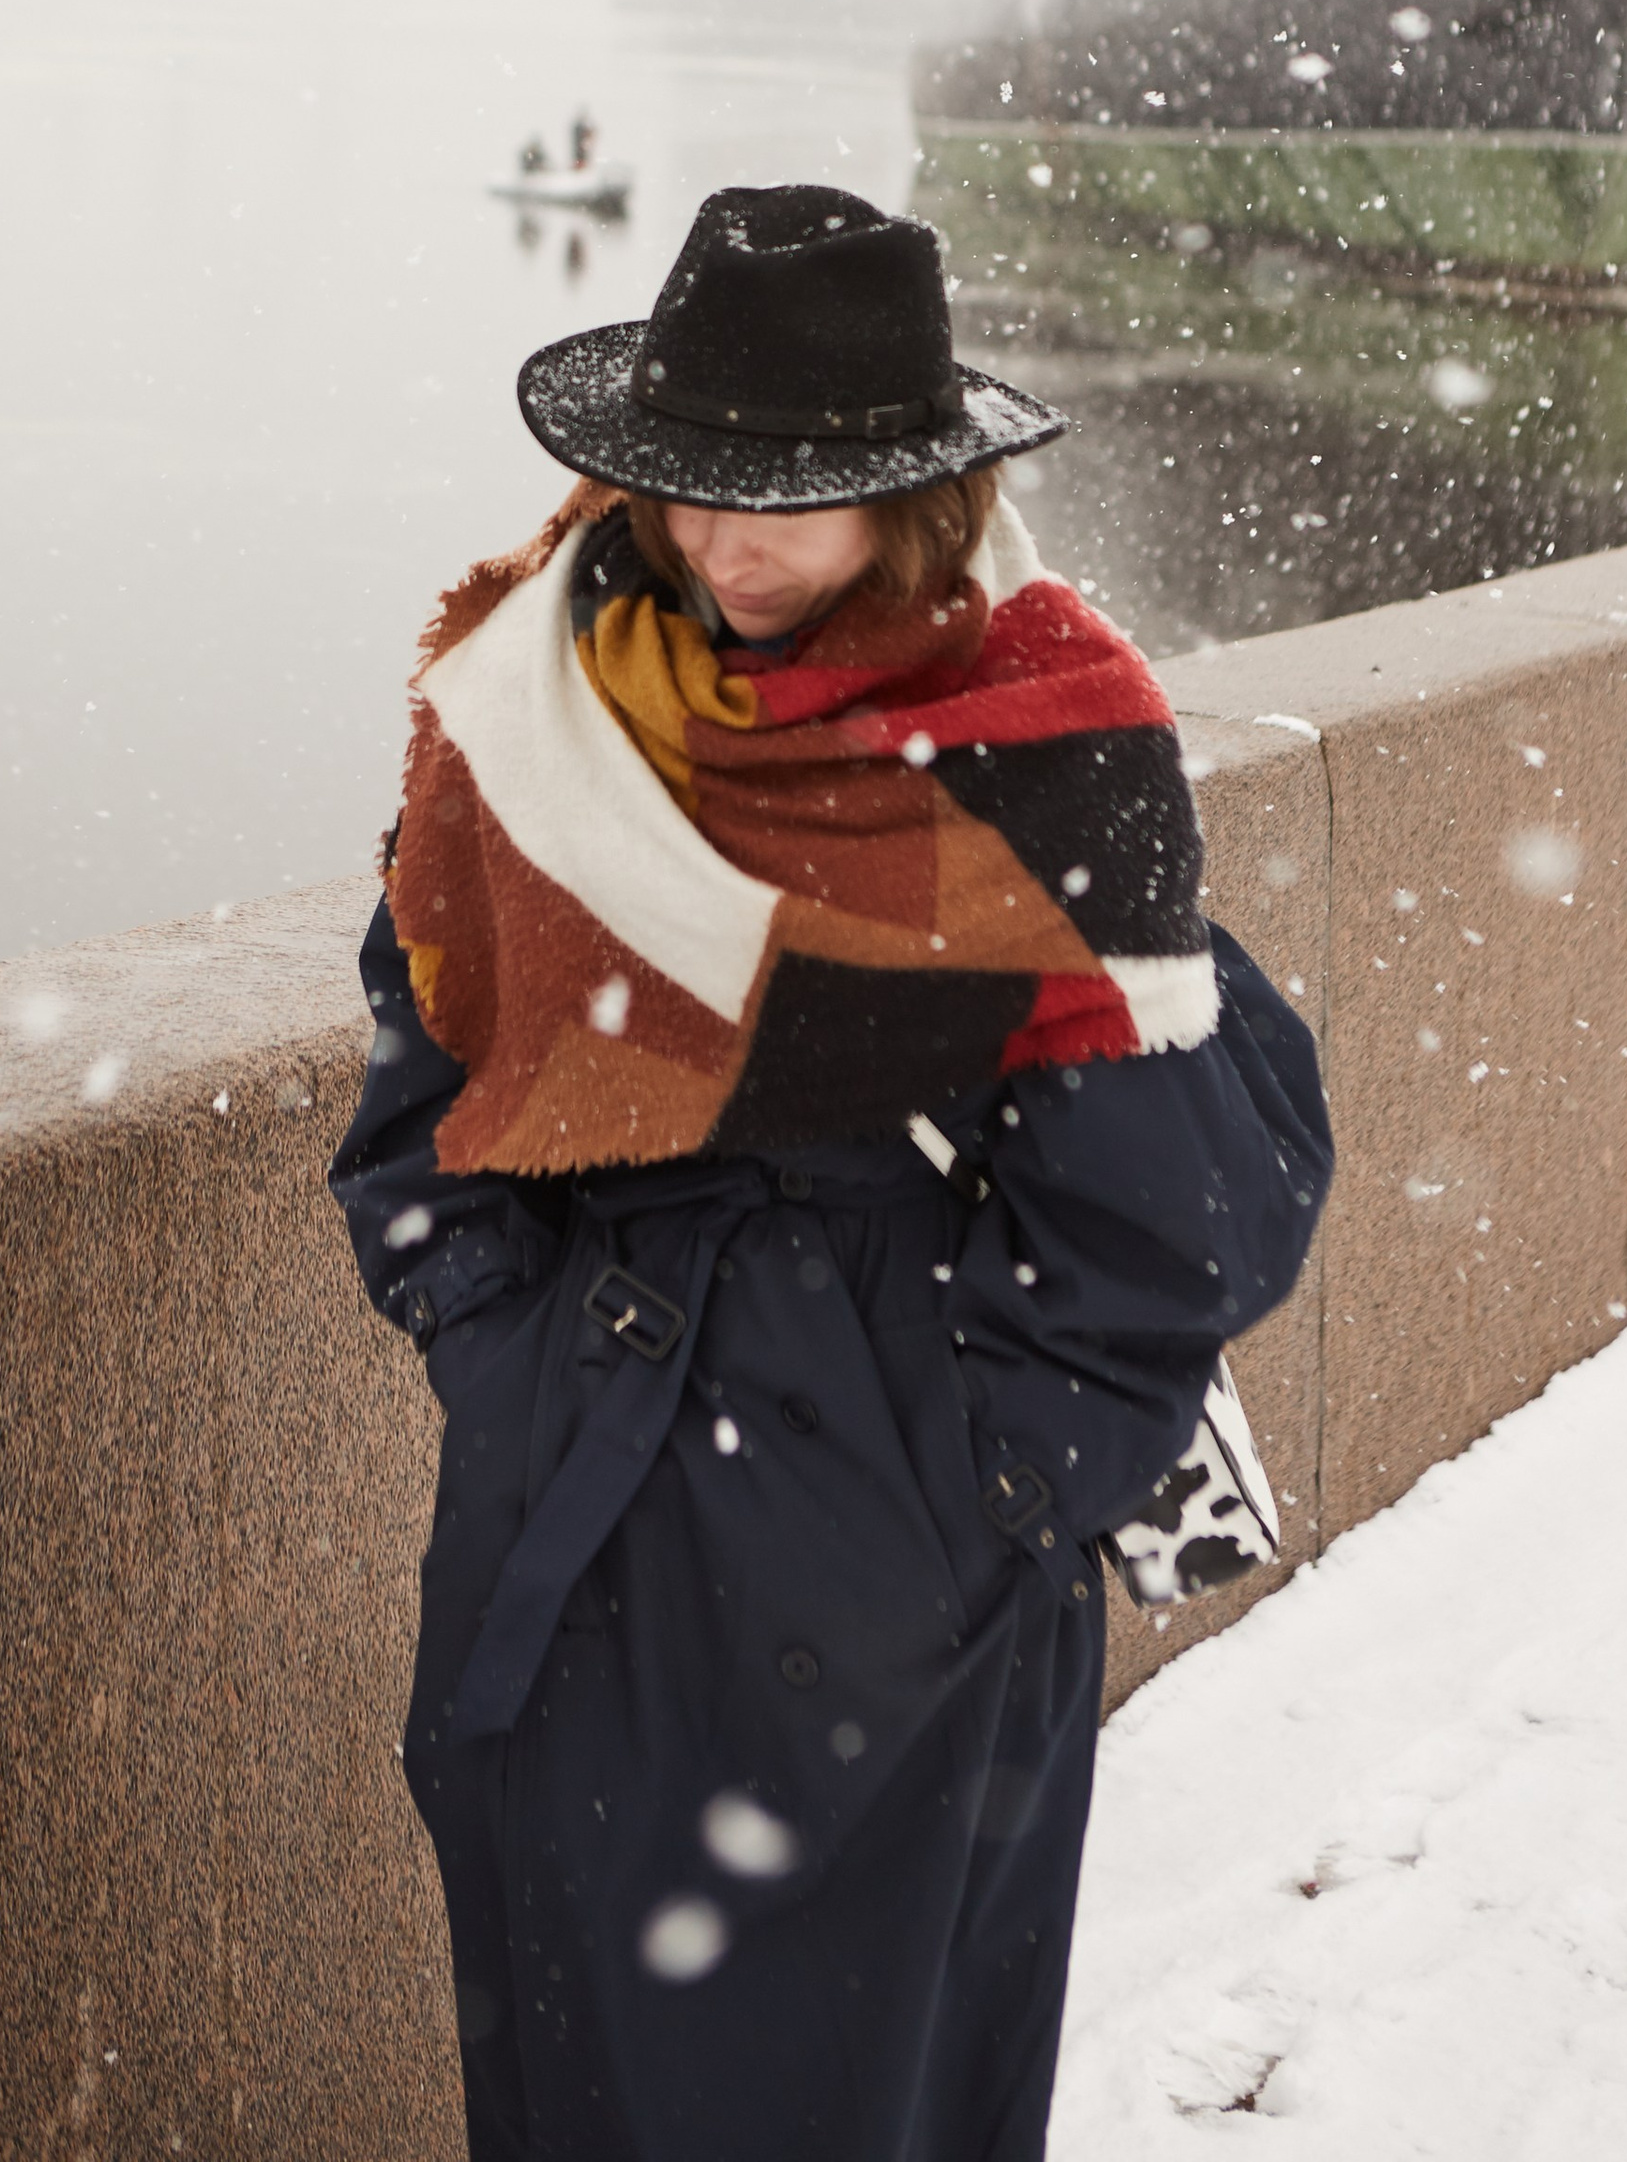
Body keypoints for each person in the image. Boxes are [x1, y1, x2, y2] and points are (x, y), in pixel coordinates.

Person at [332, 184, 1330, 2162]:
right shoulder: (533, 710)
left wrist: (971, 1494)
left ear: (910, 491)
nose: (716, 539)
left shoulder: (1040, 735)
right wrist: (495, 1346)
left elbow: (1149, 1221)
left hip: (896, 1524)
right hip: (568, 1516)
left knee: (857, 2096)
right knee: (575, 2081)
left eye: (779, 492)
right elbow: (415, 1094)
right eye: (686, 481)